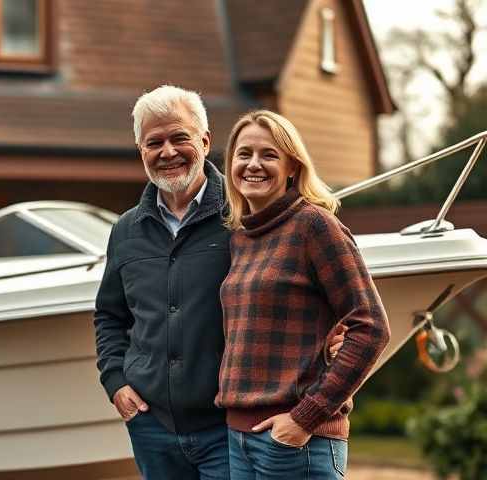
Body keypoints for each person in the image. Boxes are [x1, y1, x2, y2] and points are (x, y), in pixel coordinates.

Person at [93, 87, 344, 480]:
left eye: (180, 138)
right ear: (140, 150)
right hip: (151, 427)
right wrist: (115, 381)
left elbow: (306, 287)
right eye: (154, 142)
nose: (168, 152)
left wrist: (334, 331)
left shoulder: (245, 215)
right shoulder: (126, 230)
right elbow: (110, 315)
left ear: (205, 141)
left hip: (228, 429)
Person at [215, 110, 390, 479]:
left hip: (296, 443)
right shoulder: (240, 238)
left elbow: (371, 326)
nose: (253, 164)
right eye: (243, 154)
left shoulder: (314, 225)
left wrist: (304, 419)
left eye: (269, 155)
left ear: (293, 167)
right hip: (239, 438)